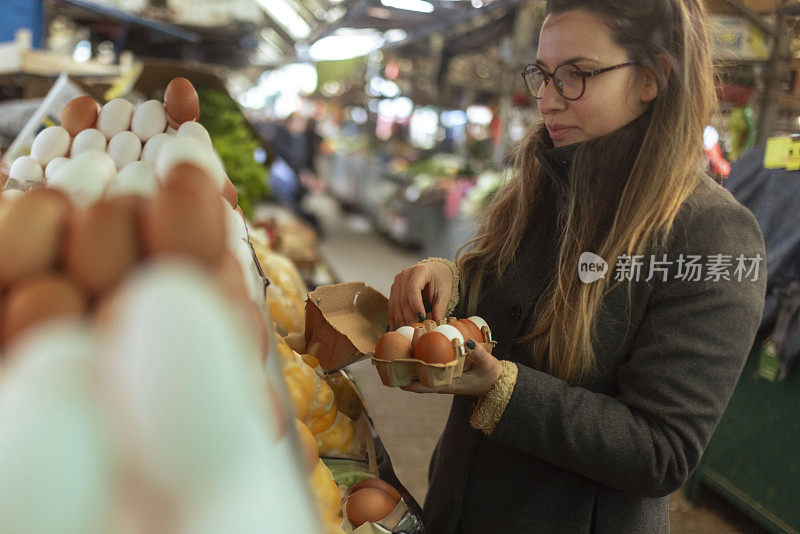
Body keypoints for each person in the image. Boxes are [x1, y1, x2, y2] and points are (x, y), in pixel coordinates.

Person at [388, 1, 767, 532]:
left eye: (577, 76)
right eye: (543, 74)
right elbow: (505, 307)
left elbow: (662, 450)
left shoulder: (711, 233)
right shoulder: (545, 184)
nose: (545, 100)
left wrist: (500, 388)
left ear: (653, 78)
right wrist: (452, 283)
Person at [266, 112, 324, 232]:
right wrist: (301, 175)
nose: (301, 127)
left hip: (300, 181)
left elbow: (308, 160)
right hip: (285, 183)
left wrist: (313, 177)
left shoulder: (304, 139)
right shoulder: (279, 138)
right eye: (298, 123)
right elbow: (286, 158)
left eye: (303, 124)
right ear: (290, 123)